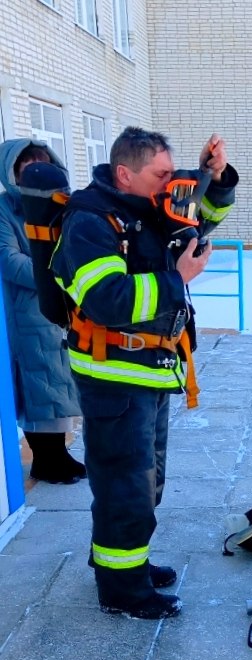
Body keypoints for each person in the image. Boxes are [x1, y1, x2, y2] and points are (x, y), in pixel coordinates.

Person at [51, 126, 238, 619]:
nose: (169, 183)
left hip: (149, 369)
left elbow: (198, 223)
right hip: (114, 373)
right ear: (124, 173)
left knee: (145, 480)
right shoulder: (90, 222)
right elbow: (106, 299)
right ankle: (123, 591)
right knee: (125, 483)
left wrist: (212, 180)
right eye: (161, 175)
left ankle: (121, 564)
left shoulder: (144, 210)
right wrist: (176, 279)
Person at [0, 139, 85, 484]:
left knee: (61, 382)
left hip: (63, 306)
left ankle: (59, 453)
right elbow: (8, 260)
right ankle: (46, 459)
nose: (35, 169)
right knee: (40, 384)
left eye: (41, 162)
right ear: (13, 172)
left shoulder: (62, 204)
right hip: (28, 311)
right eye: (27, 164)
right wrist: (56, 275)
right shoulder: (5, 210)